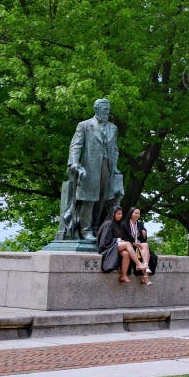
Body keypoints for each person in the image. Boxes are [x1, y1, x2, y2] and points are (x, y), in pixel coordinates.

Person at [65, 98, 124, 240]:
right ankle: (86, 230)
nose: (107, 112)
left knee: (102, 199)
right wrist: (74, 163)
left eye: (108, 110)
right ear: (97, 109)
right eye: (105, 110)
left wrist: (115, 166)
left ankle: (97, 228)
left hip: (107, 167)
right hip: (90, 168)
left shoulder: (113, 128)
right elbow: (75, 145)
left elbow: (115, 149)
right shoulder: (84, 125)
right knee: (89, 199)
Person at [96, 205, 147, 282]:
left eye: (121, 214)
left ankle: (123, 275)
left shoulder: (118, 224)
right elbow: (105, 240)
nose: (120, 215)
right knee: (127, 244)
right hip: (107, 247)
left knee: (126, 254)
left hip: (115, 246)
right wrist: (119, 240)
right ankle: (138, 264)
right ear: (113, 214)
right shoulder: (108, 224)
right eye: (118, 214)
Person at [118, 207, 156, 284]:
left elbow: (143, 239)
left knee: (145, 245)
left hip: (138, 245)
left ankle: (145, 265)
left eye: (139, 214)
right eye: (135, 213)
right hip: (130, 246)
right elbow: (123, 238)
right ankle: (145, 278)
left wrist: (144, 234)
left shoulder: (140, 224)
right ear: (131, 213)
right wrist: (133, 243)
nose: (137, 215)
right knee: (146, 255)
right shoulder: (124, 224)